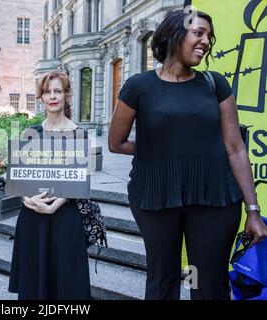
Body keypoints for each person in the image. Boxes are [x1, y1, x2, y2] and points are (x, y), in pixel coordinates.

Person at [108, 10, 267, 300]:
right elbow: (116, 143)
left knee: (204, 281)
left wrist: (253, 210)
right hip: (156, 195)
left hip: (214, 197)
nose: (206, 41)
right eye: (199, 33)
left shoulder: (214, 84)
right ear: (174, 35)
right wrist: (161, 152)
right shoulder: (139, 86)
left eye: (209, 35)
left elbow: (235, 148)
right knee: (162, 278)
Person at [8, 71, 91, 300]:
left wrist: (56, 205)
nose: (52, 96)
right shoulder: (30, 133)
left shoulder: (78, 134)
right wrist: (25, 198)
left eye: (58, 91)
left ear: (66, 95)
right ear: (41, 97)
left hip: (64, 217)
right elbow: (20, 177)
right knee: (33, 284)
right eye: (47, 92)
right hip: (32, 217)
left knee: (64, 285)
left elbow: (78, 180)